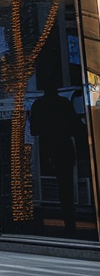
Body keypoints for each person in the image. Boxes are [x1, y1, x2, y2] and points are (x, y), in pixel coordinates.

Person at [30, 83, 85, 238]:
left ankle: (67, 224)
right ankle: (69, 225)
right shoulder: (63, 103)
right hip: (63, 147)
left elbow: (34, 129)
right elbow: (76, 126)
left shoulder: (39, 105)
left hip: (49, 148)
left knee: (61, 188)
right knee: (66, 188)